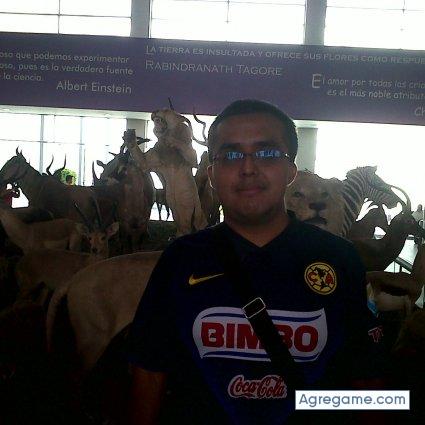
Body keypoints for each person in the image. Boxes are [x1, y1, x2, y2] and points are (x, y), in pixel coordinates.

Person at [126, 100, 384, 425]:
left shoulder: (339, 259)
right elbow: (149, 370)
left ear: (291, 171)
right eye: (231, 155)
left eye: (267, 153)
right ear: (211, 173)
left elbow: (367, 377)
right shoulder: (181, 258)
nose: (248, 168)